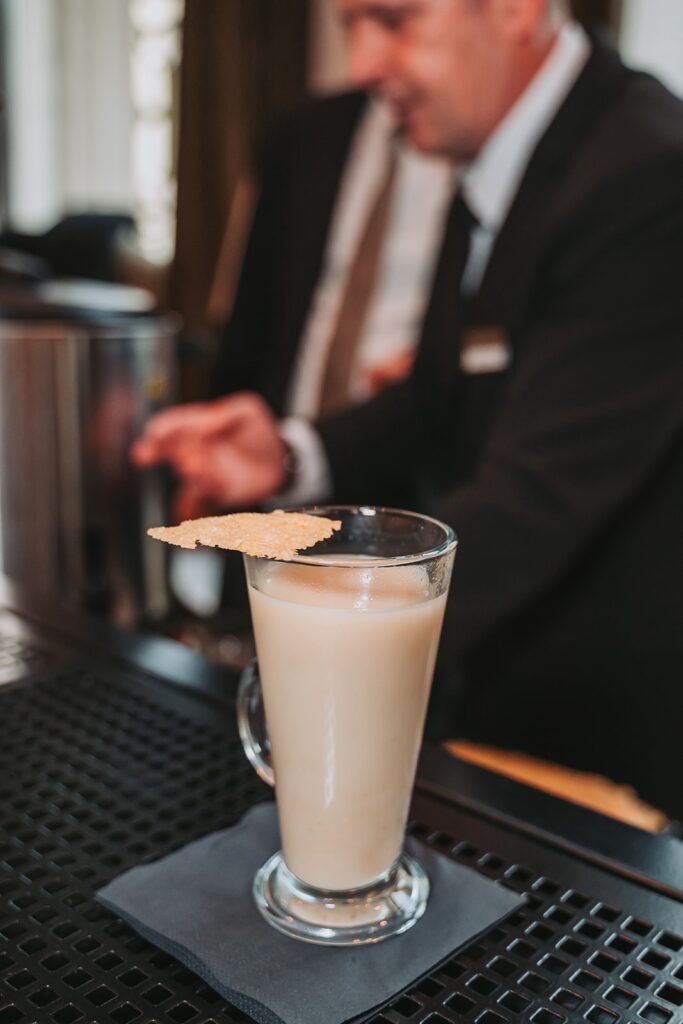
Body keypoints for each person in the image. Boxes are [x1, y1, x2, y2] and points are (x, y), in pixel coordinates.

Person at [134, 0, 683, 817]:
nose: (361, 65)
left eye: (393, 20)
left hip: (586, 748)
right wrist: (287, 453)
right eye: (350, 24)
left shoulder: (649, 174)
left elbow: (536, 496)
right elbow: (439, 391)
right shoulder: (491, 156)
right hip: (479, 704)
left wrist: (319, 627)